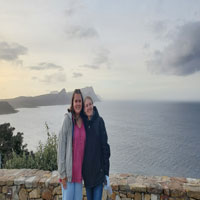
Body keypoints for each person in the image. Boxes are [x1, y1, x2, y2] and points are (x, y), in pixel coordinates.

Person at [57, 89, 86, 200]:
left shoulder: (84, 121)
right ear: (72, 103)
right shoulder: (67, 120)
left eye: (80, 101)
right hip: (68, 174)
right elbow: (61, 148)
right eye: (76, 101)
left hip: (79, 174)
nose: (78, 103)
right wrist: (62, 174)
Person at [82, 96, 111, 200]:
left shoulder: (99, 122)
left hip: (99, 174)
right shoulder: (82, 124)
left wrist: (106, 172)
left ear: (93, 105)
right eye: (86, 105)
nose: (89, 107)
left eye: (90, 104)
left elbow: (105, 148)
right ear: (84, 109)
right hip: (87, 175)